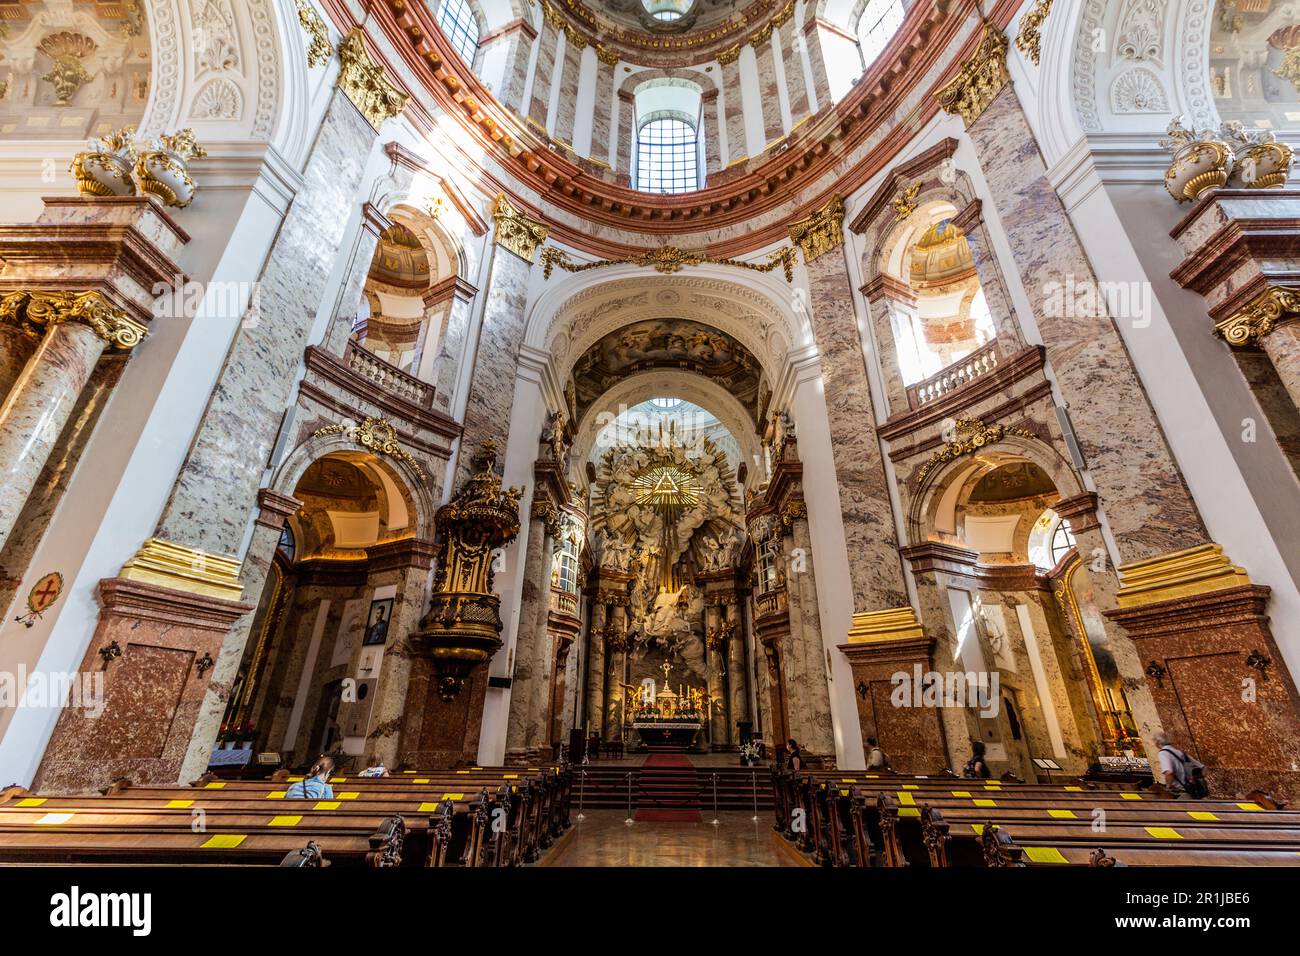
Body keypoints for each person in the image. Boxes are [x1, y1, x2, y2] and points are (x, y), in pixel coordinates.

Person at [1155, 733, 1208, 798]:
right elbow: (1203, 768)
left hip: (1182, 792)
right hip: (1195, 791)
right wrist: (1195, 780)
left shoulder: (1163, 753)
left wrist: (1168, 787)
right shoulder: (1180, 752)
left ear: (1158, 742)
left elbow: (1169, 772)